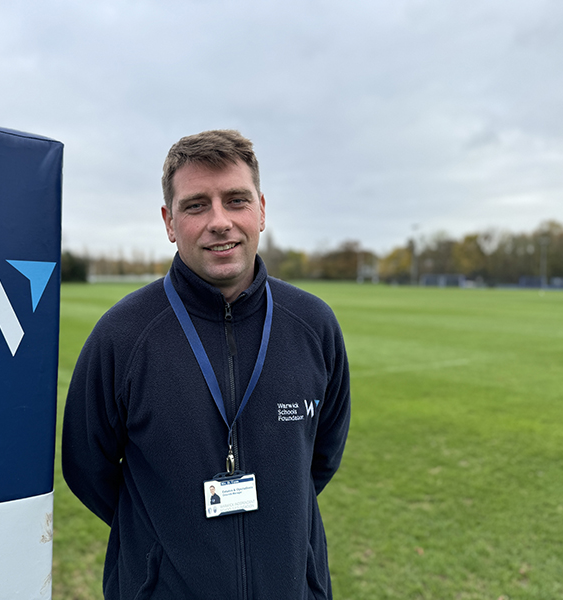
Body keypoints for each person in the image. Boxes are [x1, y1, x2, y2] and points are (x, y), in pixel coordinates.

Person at [62, 129, 350, 599]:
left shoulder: (313, 325)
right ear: (169, 222)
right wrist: (160, 536)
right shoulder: (122, 336)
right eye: (196, 205)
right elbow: (85, 468)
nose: (220, 221)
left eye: (235, 200)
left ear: (261, 210)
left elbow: (323, 457)